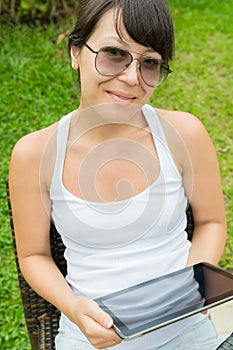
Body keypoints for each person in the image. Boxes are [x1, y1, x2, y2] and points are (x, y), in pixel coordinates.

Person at [9, 0, 227, 349]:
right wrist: (75, 309)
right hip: (90, 340)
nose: (131, 78)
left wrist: (195, 281)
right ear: (76, 53)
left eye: (150, 63)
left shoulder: (184, 134)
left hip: (187, 330)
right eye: (114, 53)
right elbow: (34, 256)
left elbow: (212, 222)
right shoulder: (34, 154)